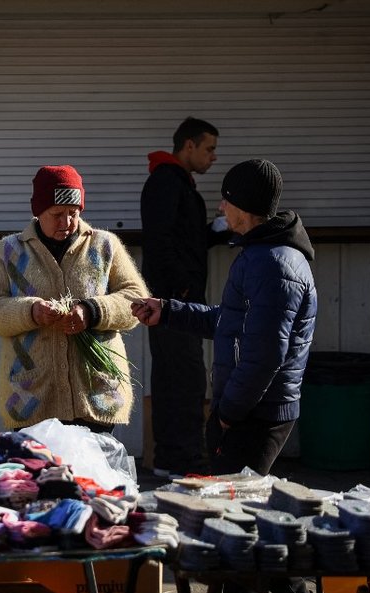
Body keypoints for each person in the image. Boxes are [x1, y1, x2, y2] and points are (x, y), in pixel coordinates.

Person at [132, 159, 317, 477]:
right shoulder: (262, 254)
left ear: (243, 208)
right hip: (249, 410)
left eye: (226, 199)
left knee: (234, 512)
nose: (221, 207)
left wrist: (227, 414)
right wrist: (170, 311)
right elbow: (235, 322)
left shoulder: (272, 263)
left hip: (254, 415)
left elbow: (265, 353)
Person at [0, 165, 149, 434]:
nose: (66, 223)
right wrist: (31, 311)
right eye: (56, 214)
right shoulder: (10, 250)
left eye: (73, 213)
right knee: (41, 474)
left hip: (95, 396)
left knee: (91, 474)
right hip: (31, 399)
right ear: (38, 211)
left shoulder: (104, 246)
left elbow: (136, 300)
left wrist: (92, 311)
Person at [140, 116, 225, 477]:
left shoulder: (178, 183)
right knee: (185, 376)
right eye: (209, 149)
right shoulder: (165, 182)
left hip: (175, 299)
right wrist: (181, 288)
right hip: (173, 301)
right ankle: (183, 461)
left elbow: (184, 240)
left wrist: (217, 230)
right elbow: (159, 240)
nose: (213, 157)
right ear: (188, 146)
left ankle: (171, 459)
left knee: (177, 375)